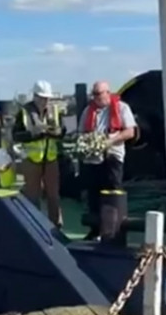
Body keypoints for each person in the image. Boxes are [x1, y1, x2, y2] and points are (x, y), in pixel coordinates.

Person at [78, 80, 136, 240]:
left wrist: (109, 141)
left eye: (99, 94)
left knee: (113, 191)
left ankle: (114, 230)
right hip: (93, 160)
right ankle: (95, 229)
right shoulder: (87, 111)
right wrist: (88, 143)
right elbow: (81, 132)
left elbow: (130, 131)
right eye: (94, 94)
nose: (96, 98)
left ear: (107, 93)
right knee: (93, 194)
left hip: (113, 157)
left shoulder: (122, 108)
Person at [12, 80, 64, 227]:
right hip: (31, 160)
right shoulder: (23, 113)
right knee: (32, 195)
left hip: (50, 158)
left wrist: (57, 132)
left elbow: (63, 130)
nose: (44, 101)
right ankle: (35, 225)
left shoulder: (54, 110)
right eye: (42, 98)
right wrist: (38, 133)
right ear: (34, 96)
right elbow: (16, 136)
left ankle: (56, 225)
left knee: (53, 195)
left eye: (47, 98)